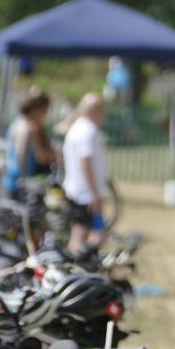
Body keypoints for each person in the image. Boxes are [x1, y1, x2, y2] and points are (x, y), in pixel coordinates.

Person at [62, 92, 109, 254]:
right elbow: (85, 163)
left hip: (77, 189)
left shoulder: (78, 127)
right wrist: (94, 194)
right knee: (82, 233)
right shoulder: (88, 131)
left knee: (81, 231)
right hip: (85, 193)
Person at [4, 88, 56, 199]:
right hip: (19, 181)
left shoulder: (23, 123)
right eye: (45, 111)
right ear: (37, 109)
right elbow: (21, 152)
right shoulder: (24, 127)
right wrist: (25, 179)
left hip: (18, 179)